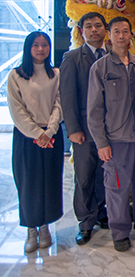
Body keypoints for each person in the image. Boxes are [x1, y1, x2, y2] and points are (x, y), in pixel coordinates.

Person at [87, 16, 135, 252]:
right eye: (116, 32)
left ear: (131, 35)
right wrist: (101, 142)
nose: (121, 36)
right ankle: (120, 232)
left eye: (125, 31)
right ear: (109, 36)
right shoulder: (100, 68)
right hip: (116, 139)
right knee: (117, 187)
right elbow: (94, 111)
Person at [8, 31, 63, 254]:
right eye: (36, 45)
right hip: (26, 136)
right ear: (28, 48)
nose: (41, 49)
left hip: (51, 135)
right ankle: (31, 229)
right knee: (28, 182)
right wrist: (36, 133)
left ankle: (45, 226)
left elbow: (59, 103)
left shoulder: (56, 74)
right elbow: (16, 109)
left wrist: (49, 131)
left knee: (50, 181)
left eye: (45, 45)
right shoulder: (16, 75)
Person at [60, 12, 109, 246]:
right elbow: (67, 96)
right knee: (84, 176)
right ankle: (85, 222)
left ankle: (101, 213)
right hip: (83, 130)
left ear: (105, 29)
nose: (94, 30)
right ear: (81, 31)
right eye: (88, 26)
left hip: (110, 129)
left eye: (98, 25)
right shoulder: (72, 58)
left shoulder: (112, 55)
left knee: (104, 174)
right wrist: (72, 129)